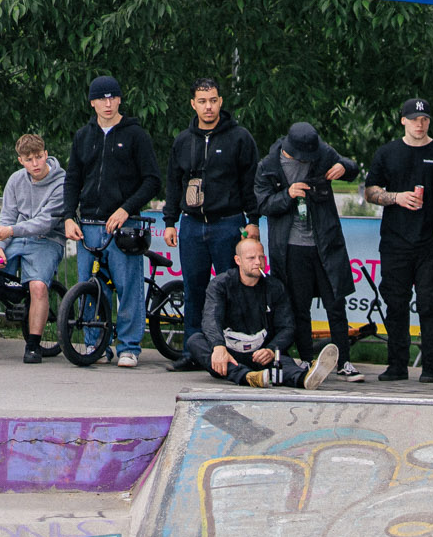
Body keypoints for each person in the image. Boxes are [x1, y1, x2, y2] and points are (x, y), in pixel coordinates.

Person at [60, 75, 161, 367]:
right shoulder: (83, 136)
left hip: (122, 226)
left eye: (112, 97)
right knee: (91, 287)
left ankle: (129, 346)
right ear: (92, 102)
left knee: (128, 286)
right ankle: (95, 344)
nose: (107, 103)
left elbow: (152, 180)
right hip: (87, 225)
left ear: (119, 100)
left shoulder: (135, 135)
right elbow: (72, 180)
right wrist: (69, 217)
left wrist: (126, 209)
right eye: (101, 98)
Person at [162, 79, 260, 370]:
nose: (209, 106)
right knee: (194, 290)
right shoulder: (183, 140)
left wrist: (253, 220)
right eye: (203, 101)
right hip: (191, 225)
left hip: (228, 224)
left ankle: (237, 351)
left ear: (221, 101)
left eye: (214, 100)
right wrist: (170, 221)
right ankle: (194, 352)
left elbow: (250, 183)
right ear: (193, 104)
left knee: (233, 289)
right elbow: (173, 184)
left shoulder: (240, 138)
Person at [255, 122, 358, 372]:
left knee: (336, 303)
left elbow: (352, 168)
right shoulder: (268, 166)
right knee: (298, 306)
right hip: (291, 247)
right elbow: (263, 204)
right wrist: (287, 195)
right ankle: (306, 359)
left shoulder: (320, 151)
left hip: (325, 242)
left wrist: (343, 167)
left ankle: (343, 360)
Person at [364, 98, 433, 383]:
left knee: (429, 304)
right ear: (403, 121)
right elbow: (370, 191)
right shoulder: (388, 152)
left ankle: (431, 366)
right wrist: (396, 197)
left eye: (424, 119)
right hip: (394, 242)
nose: (419, 124)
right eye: (414, 119)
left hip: (428, 243)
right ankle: (397, 364)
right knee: (396, 304)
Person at [188, 236, 338, 389]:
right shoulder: (220, 284)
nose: (258, 262)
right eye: (251, 258)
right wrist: (218, 346)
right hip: (229, 352)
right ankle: (247, 377)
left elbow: (287, 327)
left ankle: (305, 378)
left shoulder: (275, 287)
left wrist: (271, 349)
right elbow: (210, 318)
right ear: (238, 260)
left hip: (261, 352)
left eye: (261, 257)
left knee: (283, 362)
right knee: (195, 341)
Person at [0, 135, 66, 362]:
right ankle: (14, 293)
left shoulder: (61, 182)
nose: (35, 164)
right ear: (21, 161)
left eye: (39, 157)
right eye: (29, 159)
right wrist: (0, 246)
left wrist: (10, 231)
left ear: (46, 154)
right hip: (17, 237)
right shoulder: (16, 180)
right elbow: (7, 217)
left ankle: (34, 345)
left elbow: (45, 222)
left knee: (38, 286)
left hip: (48, 239)